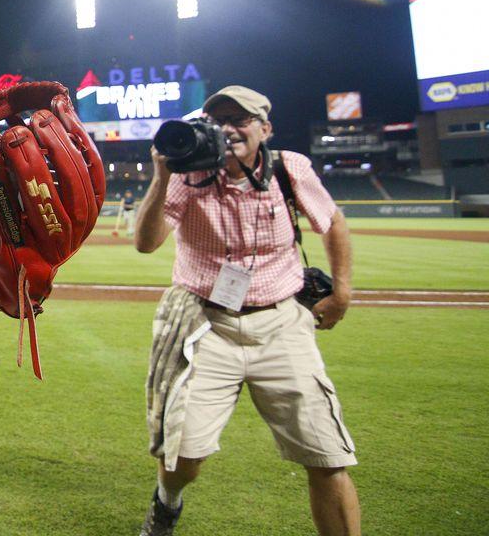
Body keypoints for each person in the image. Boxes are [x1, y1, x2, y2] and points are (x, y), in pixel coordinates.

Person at [134, 86, 359, 536]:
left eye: (241, 120)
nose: (228, 129)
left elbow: (332, 220)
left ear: (265, 128)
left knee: (327, 456)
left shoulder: (290, 170)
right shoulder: (187, 175)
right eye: (218, 120)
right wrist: (162, 175)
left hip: (281, 323)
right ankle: (167, 501)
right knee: (184, 458)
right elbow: (146, 242)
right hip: (205, 324)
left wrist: (343, 292)